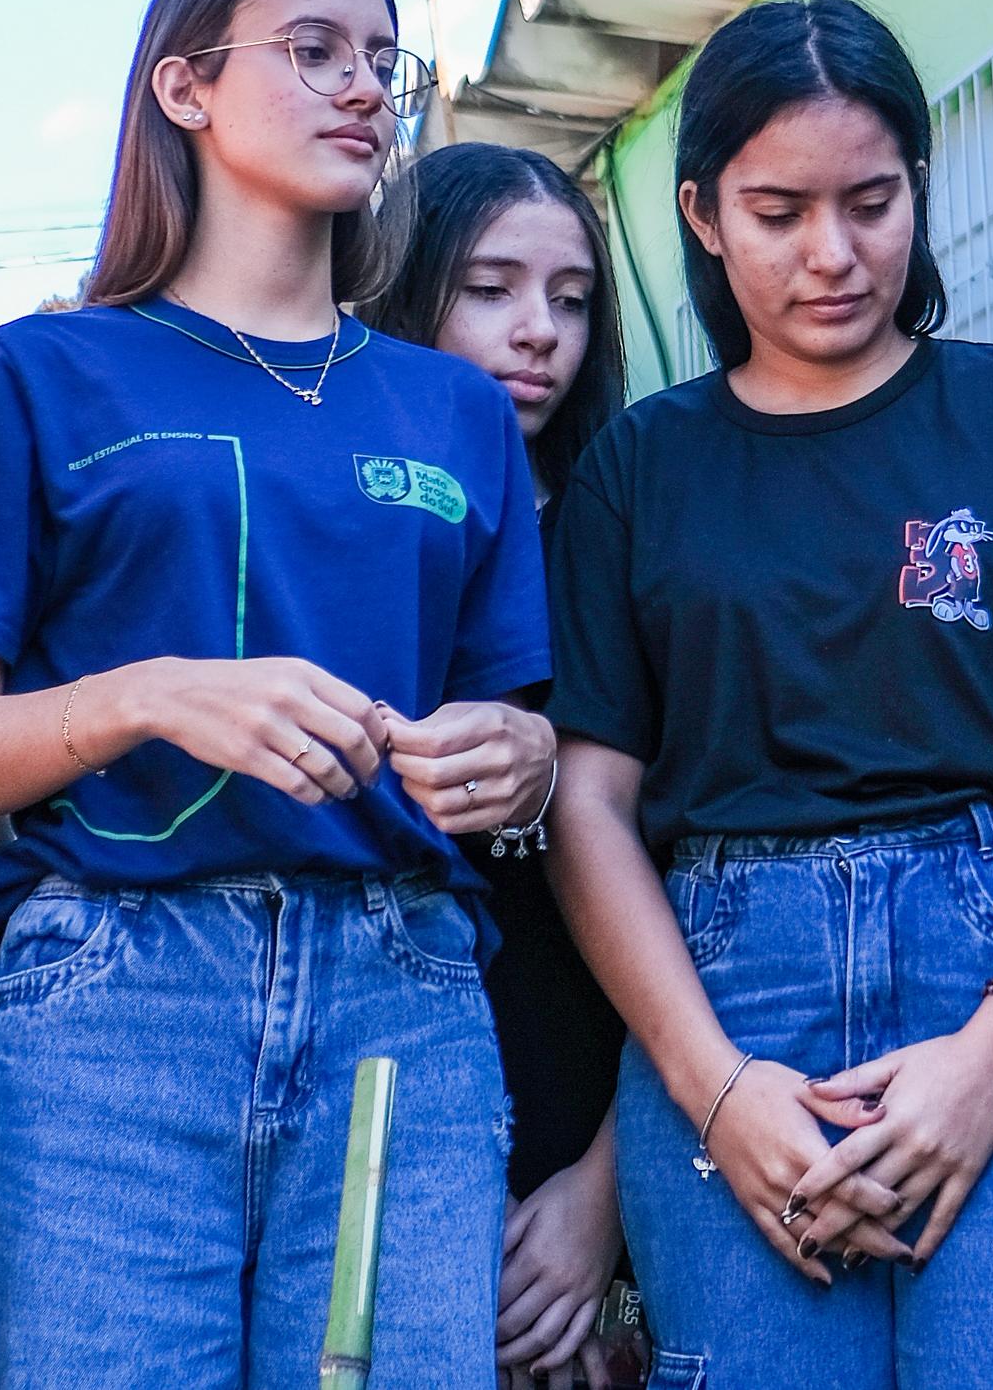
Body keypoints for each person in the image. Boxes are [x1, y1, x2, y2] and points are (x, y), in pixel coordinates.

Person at [0, 0, 553, 1390]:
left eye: (385, 61)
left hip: (405, 998)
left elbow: (512, 726)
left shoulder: (457, 410)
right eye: (315, 49)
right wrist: (151, 695)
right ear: (184, 88)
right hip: (112, 995)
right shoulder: (41, 371)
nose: (365, 87)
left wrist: (526, 759)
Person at [542, 0, 993, 1390]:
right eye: (779, 210)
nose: (833, 253)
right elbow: (588, 804)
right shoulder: (636, 470)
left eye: (873, 199)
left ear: (920, 182)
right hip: (725, 991)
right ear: (704, 215)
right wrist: (713, 1088)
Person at [367, 141, 641, 1387]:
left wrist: (607, 1188)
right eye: (491, 287)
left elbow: (706, 889)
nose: (539, 332)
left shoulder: (636, 531)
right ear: (402, 281)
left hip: (624, 1130)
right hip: (381, 1126)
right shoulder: (345, 531)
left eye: (572, 297)